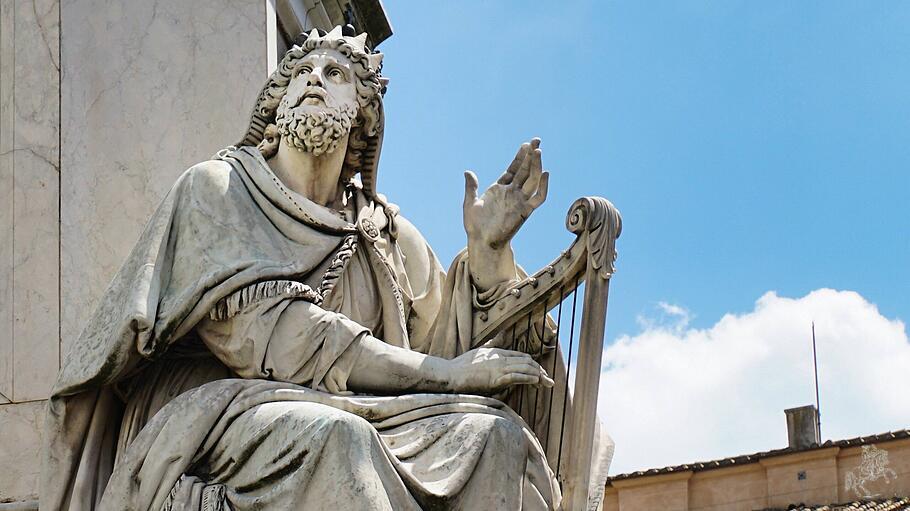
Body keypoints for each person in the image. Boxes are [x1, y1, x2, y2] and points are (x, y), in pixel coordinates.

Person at [41, 26, 611, 511]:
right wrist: (451, 378)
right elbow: (277, 340)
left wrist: (487, 252)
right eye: (301, 72)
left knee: (496, 437)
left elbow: (437, 349)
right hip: (220, 407)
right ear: (279, 101)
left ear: (363, 114)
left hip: (361, 409)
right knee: (339, 442)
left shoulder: (384, 233)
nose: (314, 77)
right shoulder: (219, 190)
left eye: (336, 72)